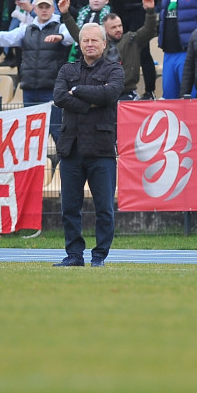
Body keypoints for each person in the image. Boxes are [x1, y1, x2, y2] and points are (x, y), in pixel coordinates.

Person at [53, 22, 124, 267]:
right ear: (79, 44)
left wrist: (77, 91)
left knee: (104, 209)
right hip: (71, 148)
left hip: (101, 150)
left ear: (104, 44)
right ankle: (74, 255)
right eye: (86, 40)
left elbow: (110, 94)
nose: (90, 44)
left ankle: (99, 256)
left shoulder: (114, 70)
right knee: (69, 209)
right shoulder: (67, 69)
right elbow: (59, 97)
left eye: (95, 40)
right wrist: (90, 101)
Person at [0, 0, 72, 141]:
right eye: (41, 7)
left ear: (53, 9)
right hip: (30, 89)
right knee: (31, 132)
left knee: (57, 129)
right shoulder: (26, 29)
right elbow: (6, 37)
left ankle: (63, 163)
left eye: (47, 7)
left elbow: (71, 36)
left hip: (52, 89)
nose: (44, 10)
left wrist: (61, 37)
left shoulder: (61, 28)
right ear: (35, 9)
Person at [59, 0, 158, 101]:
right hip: (103, 93)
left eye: (120, 26)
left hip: (127, 93)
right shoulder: (99, 43)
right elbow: (78, 35)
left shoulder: (132, 39)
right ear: (105, 30)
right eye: (114, 27)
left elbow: (149, 29)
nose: (118, 29)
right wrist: (66, 14)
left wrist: (150, 11)